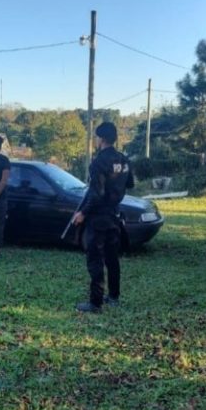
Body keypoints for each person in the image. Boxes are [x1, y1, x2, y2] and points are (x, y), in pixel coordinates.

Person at [72, 122, 134, 313]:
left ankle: (95, 302)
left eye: (96, 137)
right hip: (115, 214)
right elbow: (130, 184)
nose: (96, 140)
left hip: (98, 217)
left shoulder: (99, 162)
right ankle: (113, 296)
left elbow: (96, 193)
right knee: (112, 258)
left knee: (95, 259)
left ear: (101, 139)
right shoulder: (123, 160)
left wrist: (82, 213)